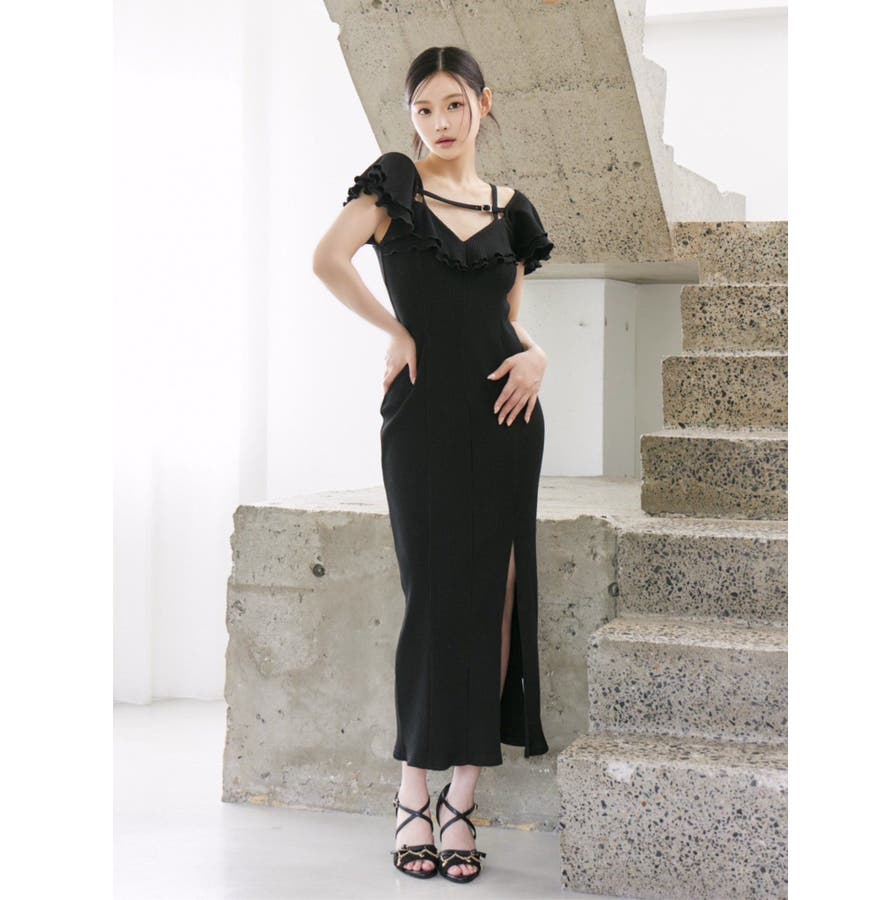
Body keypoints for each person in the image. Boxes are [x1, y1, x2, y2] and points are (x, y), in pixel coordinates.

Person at [312, 46, 554, 883]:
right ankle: (413, 788)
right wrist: (396, 331)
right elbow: (327, 260)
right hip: (422, 419)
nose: (440, 123)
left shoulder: (512, 210)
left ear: (485, 103)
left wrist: (538, 357)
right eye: (424, 108)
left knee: (496, 597)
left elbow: (508, 317)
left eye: (455, 105)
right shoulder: (393, 187)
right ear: (410, 115)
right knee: (434, 594)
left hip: (505, 414)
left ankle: (463, 800)